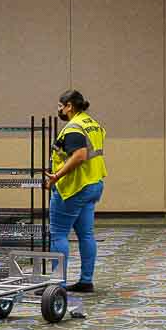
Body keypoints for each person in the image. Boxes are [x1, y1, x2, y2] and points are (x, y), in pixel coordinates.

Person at [45, 89, 106, 292]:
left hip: (74, 187)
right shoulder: (92, 124)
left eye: (61, 106)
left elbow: (79, 155)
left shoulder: (74, 127)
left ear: (69, 106)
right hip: (93, 183)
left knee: (58, 235)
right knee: (86, 234)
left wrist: (57, 176)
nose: (59, 110)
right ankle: (86, 280)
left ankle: (57, 285)